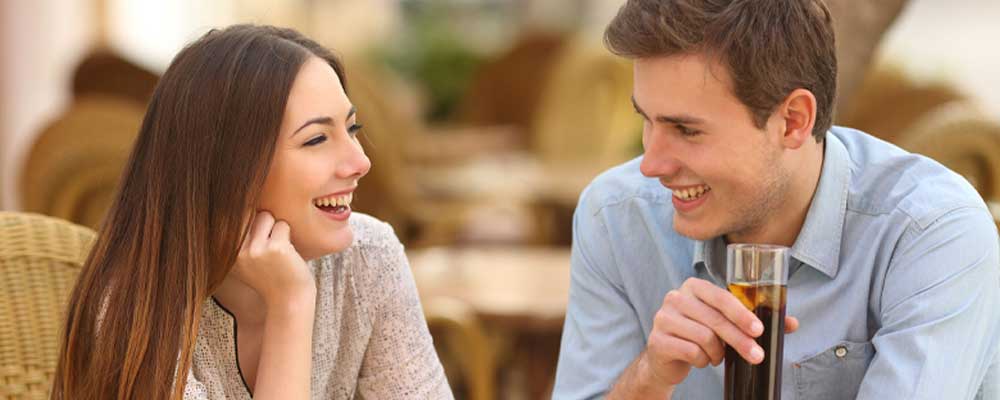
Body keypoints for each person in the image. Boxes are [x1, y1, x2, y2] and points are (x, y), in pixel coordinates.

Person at [553, 1, 1000, 399]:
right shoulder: (616, 217)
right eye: (646, 120)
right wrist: (649, 378)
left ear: (792, 121)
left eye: (686, 130)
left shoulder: (931, 232)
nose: (651, 164)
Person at [50, 25, 453, 400]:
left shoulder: (368, 257)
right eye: (316, 139)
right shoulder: (133, 310)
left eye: (351, 129)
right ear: (228, 168)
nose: (360, 161)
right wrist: (290, 304)